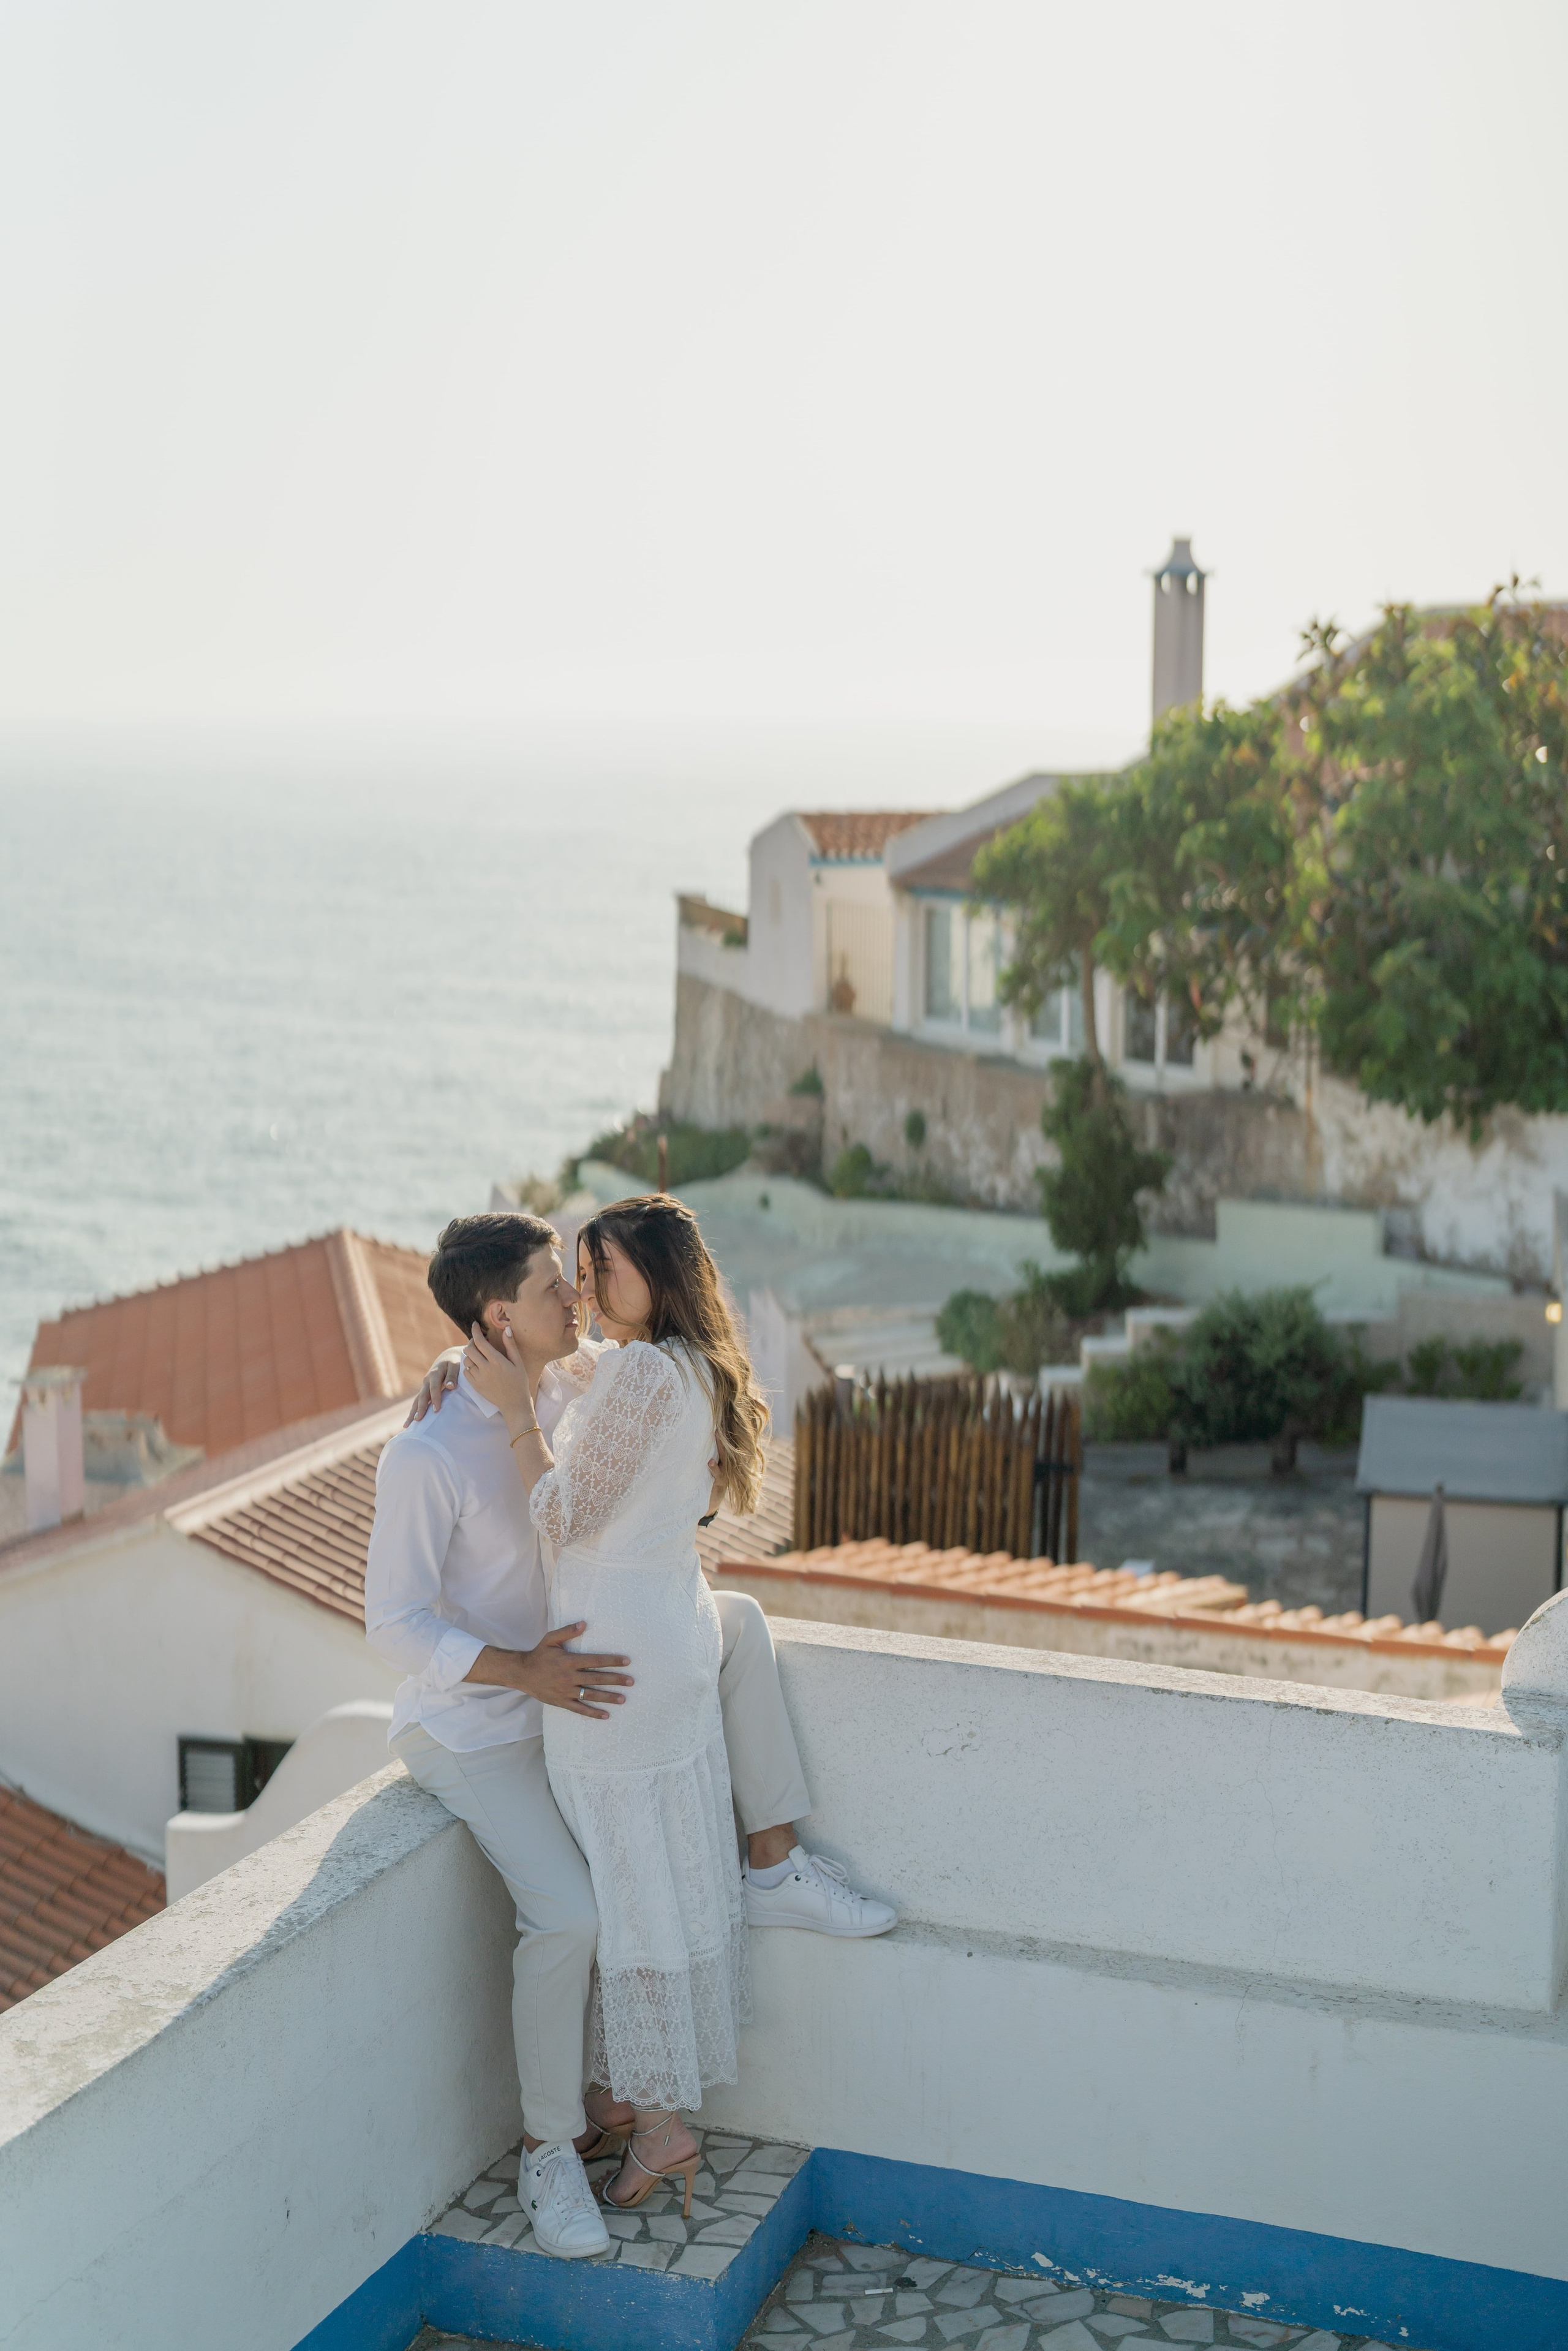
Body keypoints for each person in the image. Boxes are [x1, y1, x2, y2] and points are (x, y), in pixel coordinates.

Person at [364, 1209, 893, 2262]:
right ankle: (548, 2147)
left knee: (732, 1621)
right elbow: (394, 1626)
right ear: (499, 1313)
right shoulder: (426, 1454)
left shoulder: (563, 1384)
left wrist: (481, 1364)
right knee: (571, 1914)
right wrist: (526, 1671)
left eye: (582, 1277)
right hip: (479, 1721)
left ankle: (773, 1859)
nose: (579, 1299)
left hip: (575, 1692)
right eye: (556, 1286)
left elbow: (607, 1384)